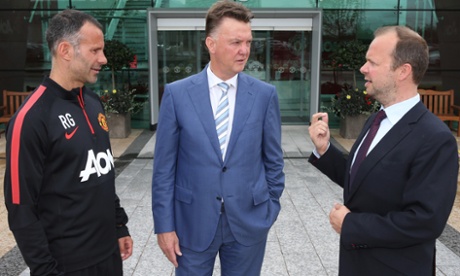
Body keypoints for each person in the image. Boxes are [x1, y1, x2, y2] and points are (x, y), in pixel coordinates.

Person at [308, 25, 458, 275]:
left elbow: (425, 222)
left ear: (403, 71)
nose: (362, 69)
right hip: (358, 264)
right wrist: (324, 149)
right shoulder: (377, 119)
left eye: (372, 62)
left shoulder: (435, 138)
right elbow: (364, 179)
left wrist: (351, 224)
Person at [151, 1, 285, 275]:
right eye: (236, 42)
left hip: (248, 223)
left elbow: (274, 161)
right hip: (192, 223)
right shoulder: (177, 95)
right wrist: (164, 226)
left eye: (248, 42)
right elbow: (164, 169)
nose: (244, 50)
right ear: (210, 44)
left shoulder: (264, 95)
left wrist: (269, 209)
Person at [3, 9, 133, 275]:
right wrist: (45, 270)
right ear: (65, 50)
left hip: (109, 255)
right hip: (67, 265)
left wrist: (119, 225)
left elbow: (103, 173)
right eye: (95, 50)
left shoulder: (94, 102)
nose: (104, 59)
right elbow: (20, 209)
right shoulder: (31, 118)